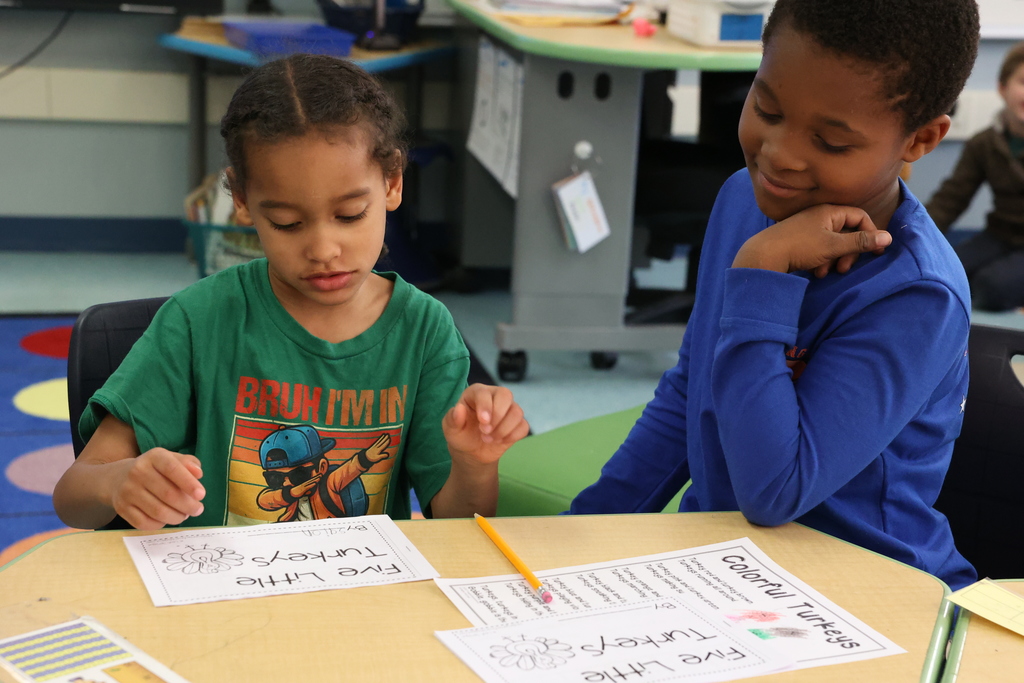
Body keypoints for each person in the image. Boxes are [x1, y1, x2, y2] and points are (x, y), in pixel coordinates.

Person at [570, 0, 980, 590]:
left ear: (921, 139)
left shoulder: (917, 293)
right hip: (725, 571)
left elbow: (774, 491)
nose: (781, 155)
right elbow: (692, 392)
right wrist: (576, 532)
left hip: (868, 591)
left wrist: (761, 273)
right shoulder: (744, 199)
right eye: (766, 108)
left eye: (832, 143)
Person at [53, 54, 529, 531]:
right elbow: (74, 494)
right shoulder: (199, 321)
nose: (323, 250)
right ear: (241, 200)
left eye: (349, 215)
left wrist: (474, 462)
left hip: (361, 595)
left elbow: (460, 520)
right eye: (287, 223)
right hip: (219, 595)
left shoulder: (424, 332)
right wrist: (118, 483)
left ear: (392, 181)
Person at [926, 41, 1024, 311]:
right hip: (1000, 235)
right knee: (946, 275)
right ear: (1002, 88)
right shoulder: (983, 143)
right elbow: (952, 197)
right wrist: (913, 233)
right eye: (1023, 82)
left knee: (992, 287)